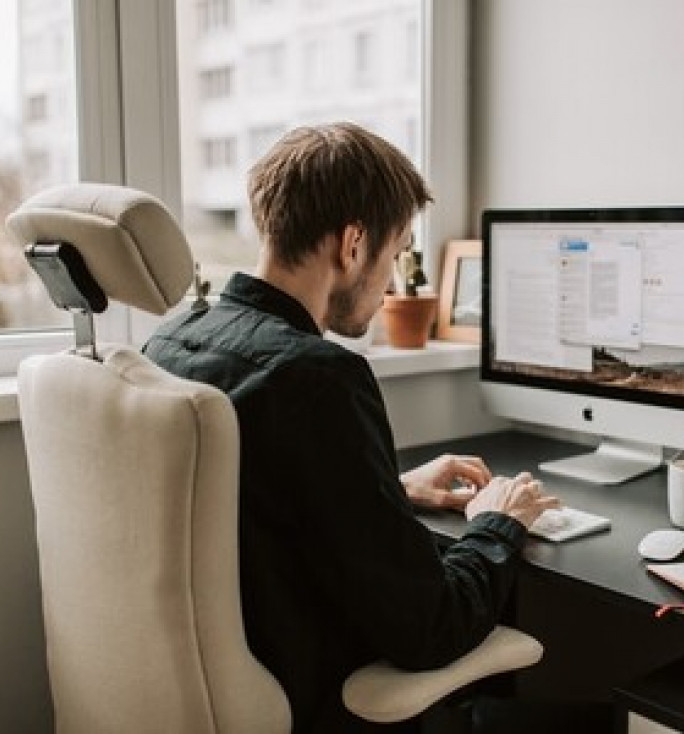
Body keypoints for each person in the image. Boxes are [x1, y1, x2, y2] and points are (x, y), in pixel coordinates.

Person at [143, 122, 561, 732]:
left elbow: (244, 498)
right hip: (309, 693)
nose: (392, 282)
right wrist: (499, 521)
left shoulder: (175, 338)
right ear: (353, 243)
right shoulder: (318, 378)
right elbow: (430, 628)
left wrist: (389, 486)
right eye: (394, 254)